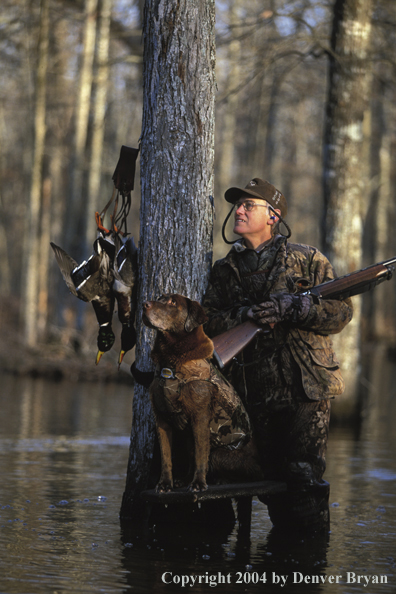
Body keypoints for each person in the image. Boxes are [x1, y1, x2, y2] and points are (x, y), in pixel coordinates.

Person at [202, 178, 353, 525]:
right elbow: (208, 322)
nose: (238, 210)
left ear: (273, 216)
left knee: (304, 482)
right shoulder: (225, 271)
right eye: (237, 205)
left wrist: (296, 309)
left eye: (248, 205)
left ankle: (307, 564)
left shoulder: (307, 259)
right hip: (253, 394)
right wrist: (245, 315)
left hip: (306, 388)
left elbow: (341, 313)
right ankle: (278, 570)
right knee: (272, 488)